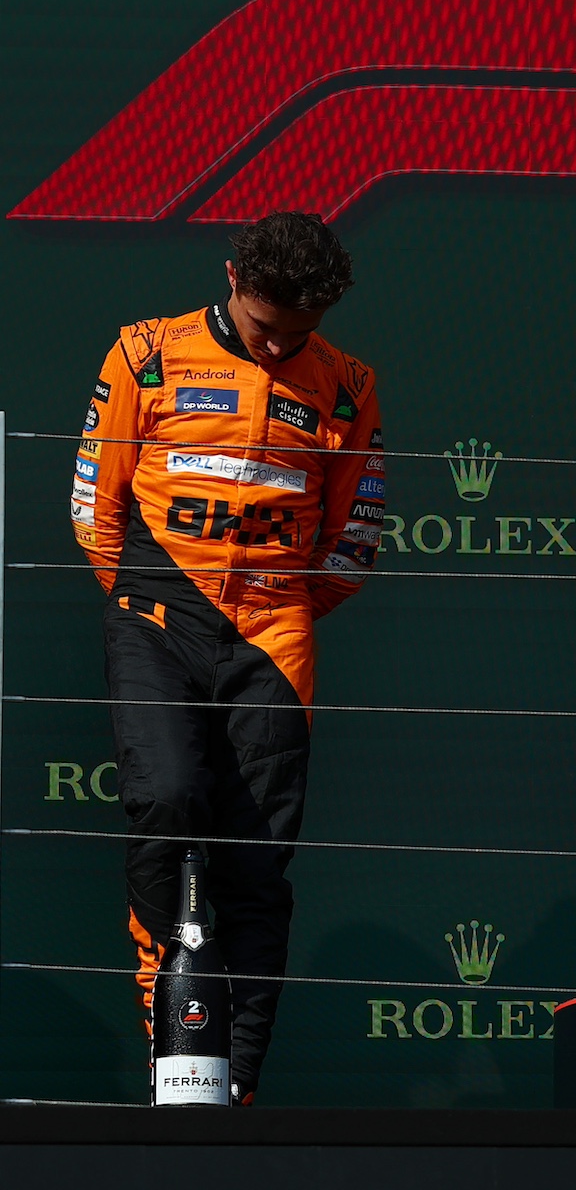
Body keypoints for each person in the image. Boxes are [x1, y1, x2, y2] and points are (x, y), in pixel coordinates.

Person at [71, 211, 383, 1103]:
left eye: (300, 332)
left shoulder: (349, 384)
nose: (282, 347)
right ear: (229, 280)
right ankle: (166, 1041)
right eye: (265, 328)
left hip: (275, 632)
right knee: (166, 798)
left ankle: (238, 1083)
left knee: (256, 858)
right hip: (157, 612)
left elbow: (354, 531)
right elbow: (97, 505)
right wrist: (157, 594)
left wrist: (278, 602)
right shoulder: (147, 353)